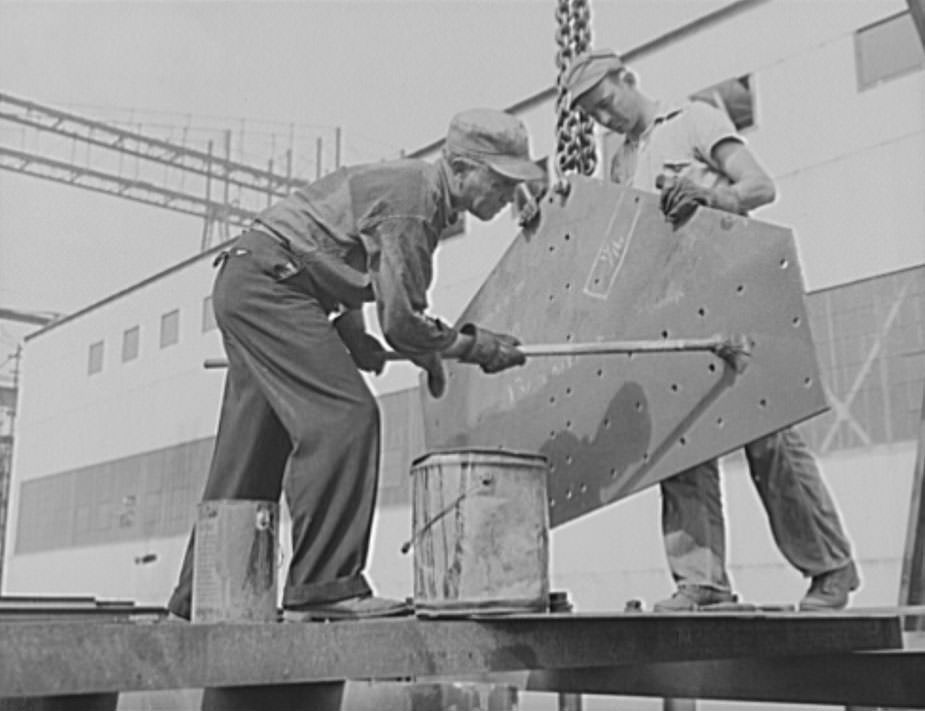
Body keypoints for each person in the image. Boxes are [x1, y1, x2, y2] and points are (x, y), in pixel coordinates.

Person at [166, 108, 542, 621]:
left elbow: (341, 258)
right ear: (459, 169)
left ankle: (202, 597)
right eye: (498, 181)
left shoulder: (407, 187)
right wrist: (475, 347)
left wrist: (357, 338)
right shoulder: (415, 205)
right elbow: (404, 323)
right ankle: (324, 587)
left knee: (252, 447)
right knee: (345, 418)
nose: (504, 196)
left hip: (254, 280)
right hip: (273, 286)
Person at [564, 50, 860, 612]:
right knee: (680, 441)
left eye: (606, 103)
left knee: (769, 438)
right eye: (594, 117)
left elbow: (760, 187)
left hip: (733, 295)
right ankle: (702, 583)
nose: (605, 120)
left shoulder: (694, 119)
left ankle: (831, 569)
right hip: (673, 311)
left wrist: (712, 196)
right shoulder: (620, 163)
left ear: (628, 78)